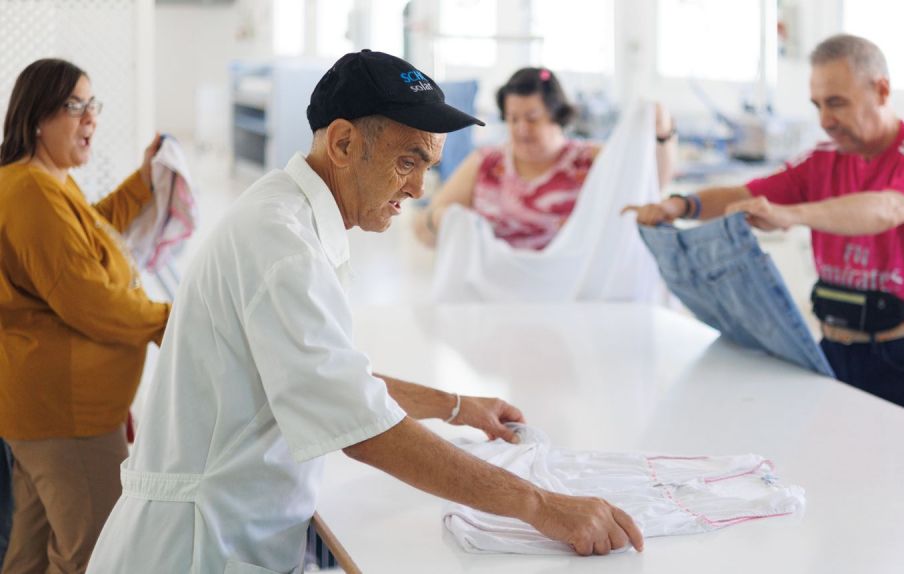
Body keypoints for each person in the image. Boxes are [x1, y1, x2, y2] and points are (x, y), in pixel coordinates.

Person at [87, 50, 644, 573]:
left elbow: (327, 379)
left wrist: (455, 406)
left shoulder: (293, 218)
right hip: (194, 547)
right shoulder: (280, 244)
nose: (420, 188)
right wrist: (541, 505)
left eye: (428, 166)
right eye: (408, 161)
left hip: (230, 536)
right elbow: (362, 429)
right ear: (344, 143)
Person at [623, 34, 904, 435]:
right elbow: (747, 193)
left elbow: (887, 209)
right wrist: (681, 206)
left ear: (881, 90)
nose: (824, 120)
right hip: (833, 350)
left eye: (837, 103)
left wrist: (791, 215)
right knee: (840, 472)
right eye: (818, 105)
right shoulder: (821, 160)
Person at [0, 58, 169, 573]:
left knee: (30, 552)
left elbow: (93, 233)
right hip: (67, 419)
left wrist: (143, 183)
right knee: (93, 554)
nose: (90, 118)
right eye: (76, 106)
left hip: (43, 413)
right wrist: (170, 321)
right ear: (36, 117)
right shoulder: (31, 193)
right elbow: (90, 301)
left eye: (92, 105)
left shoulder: (46, 183)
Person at [415, 66, 678, 250]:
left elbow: (653, 182)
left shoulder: (589, 161)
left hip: (568, 300)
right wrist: (441, 222)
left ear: (557, 115)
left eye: (532, 118)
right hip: (499, 297)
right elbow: (423, 230)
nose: (520, 129)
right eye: (513, 119)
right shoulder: (485, 164)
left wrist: (662, 133)